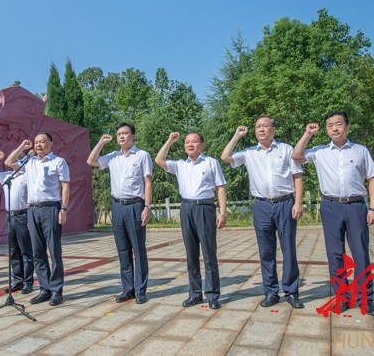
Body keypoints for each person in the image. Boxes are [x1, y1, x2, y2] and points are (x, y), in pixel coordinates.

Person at [293, 111, 374, 316]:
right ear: (326, 129)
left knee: (360, 254)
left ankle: (366, 299)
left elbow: (373, 178)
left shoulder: (360, 150)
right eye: (330, 125)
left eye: (339, 124)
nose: (334, 128)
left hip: (356, 206)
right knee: (335, 254)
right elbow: (296, 156)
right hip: (331, 206)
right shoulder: (319, 151)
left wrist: (373, 207)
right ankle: (342, 297)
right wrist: (307, 135)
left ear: (347, 127)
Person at [221, 117, 304, 309]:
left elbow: (297, 176)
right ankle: (271, 291)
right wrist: (237, 136)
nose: (261, 130)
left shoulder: (286, 149)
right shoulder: (249, 152)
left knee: (288, 249)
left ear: (273, 130)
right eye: (258, 127)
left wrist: (298, 203)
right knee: (266, 251)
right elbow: (226, 157)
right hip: (261, 206)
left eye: (265, 126)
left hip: (285, 203)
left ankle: (291, 291)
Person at [155, 132, 227, 309]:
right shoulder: (180, 165)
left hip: (205, 208)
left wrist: (222, 212)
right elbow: (159, 160)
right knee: (191, 254)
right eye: (187, 142)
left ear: (202, 144)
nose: (190, 144)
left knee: (209, 254)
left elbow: (221, 187)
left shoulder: (211, 162)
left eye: (194, 141)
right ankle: (194, 293)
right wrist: (170, 140)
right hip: (186, 208)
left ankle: (212, 294)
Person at [87, 123, 152, 304]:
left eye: (125, 133)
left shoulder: (142, 155)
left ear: (133, 136)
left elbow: (147, 182)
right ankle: (127, 289)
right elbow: (91, 161)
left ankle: (140, 290)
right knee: (123, 250)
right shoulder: (113, 157)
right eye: (119, 134)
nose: (122, 136)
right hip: (117, 206)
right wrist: (100, 143)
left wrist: (147, 207)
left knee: (138, 250)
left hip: (135, 206)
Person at [6, 133, 70, 306]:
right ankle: (45, 288)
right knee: (37, 252)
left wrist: (63, 208)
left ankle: (57, 290)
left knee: (54, 251)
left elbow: (65, 186)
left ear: (51, 144)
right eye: (36, 142)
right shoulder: (29, 162)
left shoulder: (58, 162)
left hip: (51, 208)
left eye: (42, 142)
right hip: (32, 210)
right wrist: (22, 147)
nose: (38, 145)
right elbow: (8, 162)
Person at [0, 151, 34, 295]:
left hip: (23, 215)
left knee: (26, 251)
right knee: (13, 251)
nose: (15, 163)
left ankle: (28, 282)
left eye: (19, 160)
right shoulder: (7, 176)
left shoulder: (27, 176)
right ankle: (17, 280)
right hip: (10, 216)